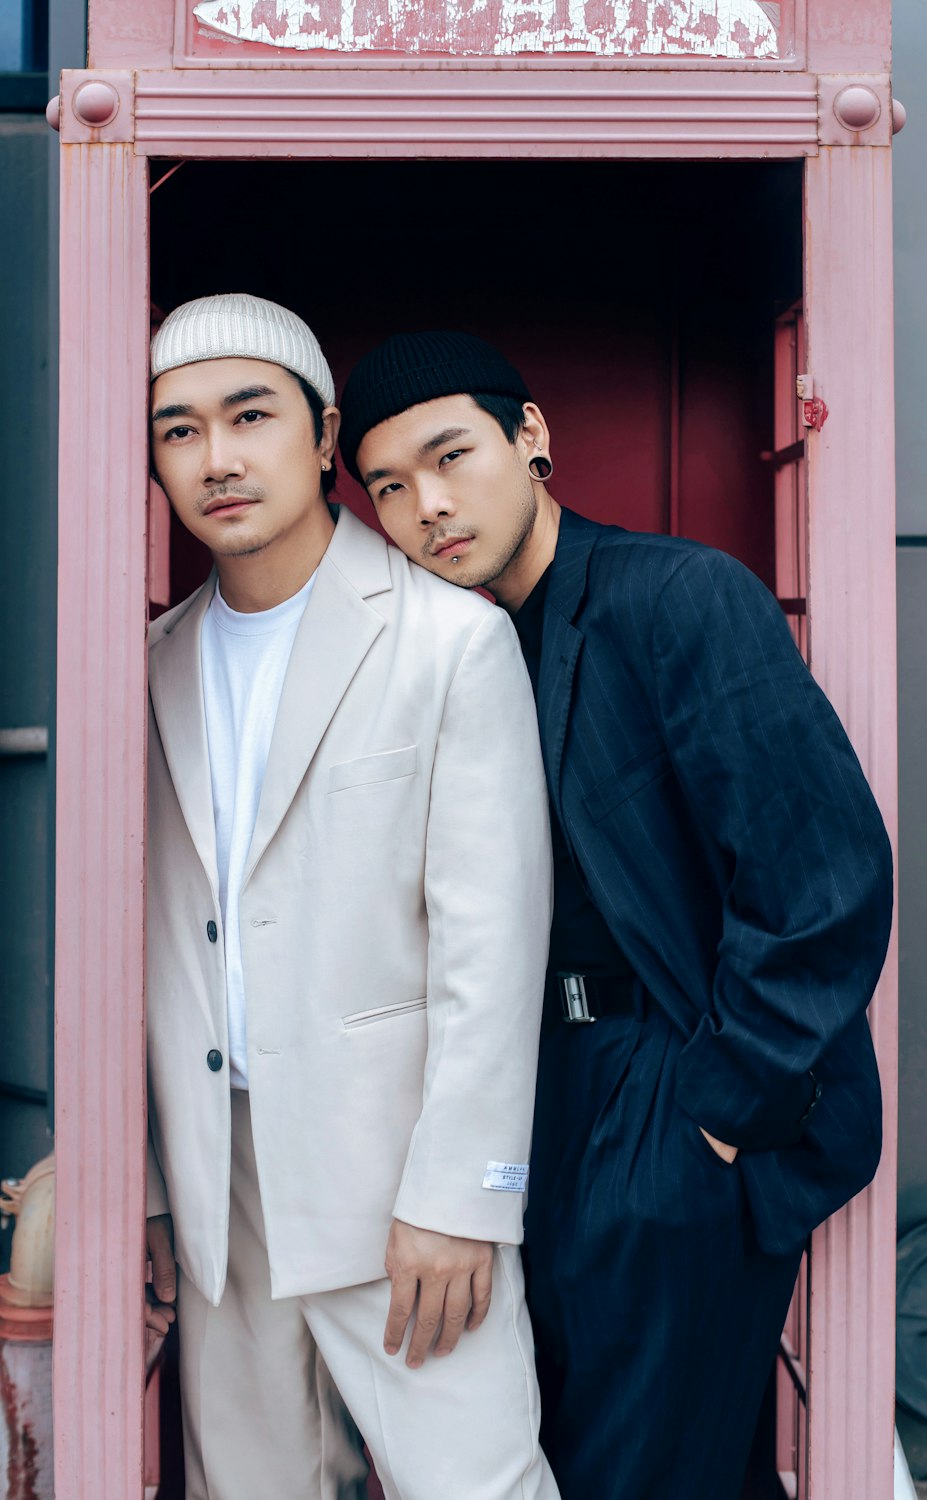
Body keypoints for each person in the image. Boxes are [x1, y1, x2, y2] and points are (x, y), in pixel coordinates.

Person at [336, 330, 895, 1500]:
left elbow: (822, 872)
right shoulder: (437, 652)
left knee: (637, 1468)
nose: (427, 506)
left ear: (529, 438)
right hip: (522, 1094)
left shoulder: (673, 598)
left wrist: (721, 1112)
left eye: (449, 457)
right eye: (388, 487)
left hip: (661, 1086)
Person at [142, 296, 560, 1500]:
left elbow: (492, 946)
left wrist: (462, 1198)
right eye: (178, 430)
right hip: (222, 1190)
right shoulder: (151, 660)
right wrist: (158, 1193)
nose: (217, 457)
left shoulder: (450, 643)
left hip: (401, 1184)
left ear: (323, 438)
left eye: (250, 416)